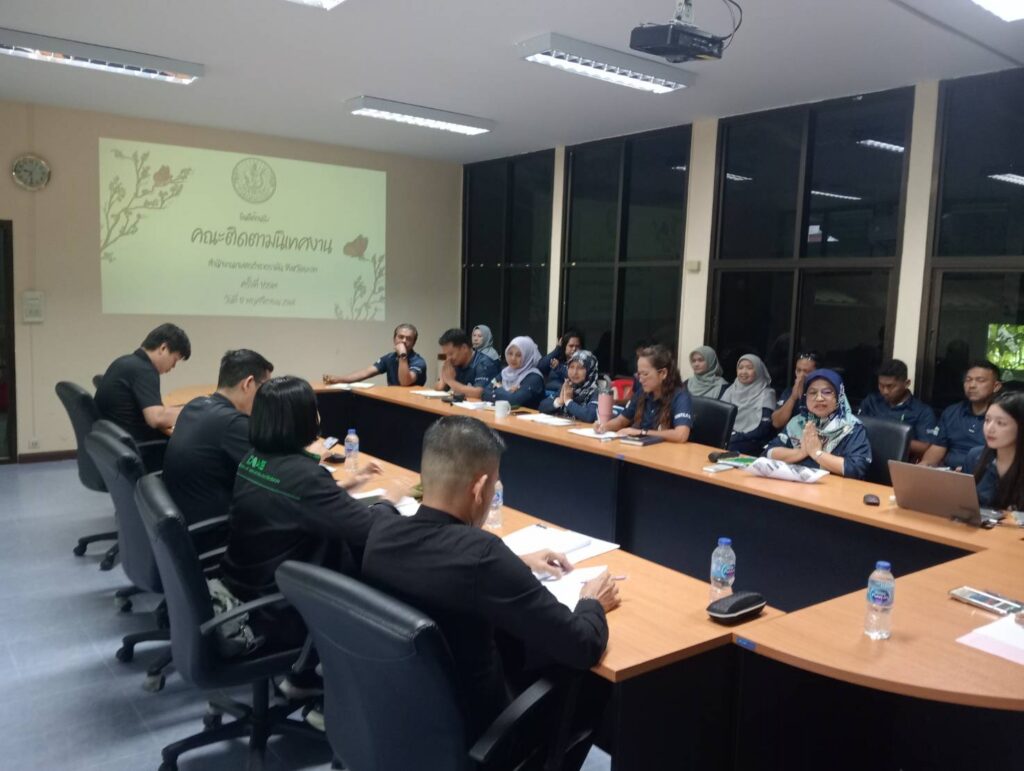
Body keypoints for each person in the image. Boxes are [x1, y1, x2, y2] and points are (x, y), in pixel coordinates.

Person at [360, 415, 618, 750]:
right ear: (480, 489)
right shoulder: (483, 557)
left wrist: (515, 561)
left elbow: (444, 558)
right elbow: (582, 644)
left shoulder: (381, 533)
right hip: (480, 735)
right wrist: (592, 601)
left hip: (397, 720)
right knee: (594, 682)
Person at [220, 376, 396, 655]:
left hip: (245, 584)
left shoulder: (253, 458)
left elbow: (293, 500)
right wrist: (389, 502)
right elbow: (367, 529)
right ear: (304, 419)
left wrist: (347, 485)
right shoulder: (305, 476)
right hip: (282, 606)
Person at [163, 349, 273, 528]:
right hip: (217, 530)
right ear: (248, 384)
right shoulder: (233, 423)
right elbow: (275, 472)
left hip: (186, 518)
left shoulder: (194, 405)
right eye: (265, 389)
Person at [764, 369, 872, 479]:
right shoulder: (798, 422)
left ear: (839, 396)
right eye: (812, 393)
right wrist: (802, 452)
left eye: (827, 392)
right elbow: (769, 453)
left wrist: (817, 453)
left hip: (833, 487)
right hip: (797, 485)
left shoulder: (852, 427)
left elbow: (856, 468)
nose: (819, 398)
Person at [95, 323, 191, 442]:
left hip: (111, 443)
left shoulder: (126, 362)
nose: (173, 366)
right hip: (133, 445)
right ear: (163, 348)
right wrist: (191, 413)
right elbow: (156, 418)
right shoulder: (145, 371)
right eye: (174, 360)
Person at [595, 344, 692, 443]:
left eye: (645, 374)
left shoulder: (680, 396)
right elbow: (621, 421)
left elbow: (681, 435)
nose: (640, 380)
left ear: (663, 373)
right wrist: (604, 426)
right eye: (639, 374)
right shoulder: (642, 392)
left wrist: (642, 432)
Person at [921, 361, 1002, 470]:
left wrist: (968, 471)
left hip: (983, 475)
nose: (972, 385)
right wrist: (923, 466)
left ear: (996, 386)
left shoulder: (1003, 418)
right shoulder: (952, 412)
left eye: (980, 380)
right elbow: (937, 448)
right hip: (948, 472)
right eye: (968, 380)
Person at [857, 359, 938, 461]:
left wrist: (889, 440)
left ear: (906, 383)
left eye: (890, 386)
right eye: (881, 385)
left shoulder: (922, 412)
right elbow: (855, 429)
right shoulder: (871, 402)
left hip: (900, 462)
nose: (885, 391)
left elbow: (925, 446)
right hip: (866, 458)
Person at [964, 391, 1024, 511]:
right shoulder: (975, 456)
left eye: (1000, 423)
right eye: (987, 420)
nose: (990, 428)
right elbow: (963, 502)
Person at [323, 323, 426, 387]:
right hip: (394, 401)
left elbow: (405, 382)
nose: (404, 341)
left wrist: (402, 355)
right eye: (401, 337)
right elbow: (365, 373)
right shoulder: (389, 358)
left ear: (414, 343)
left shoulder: (418, 361)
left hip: (412, 406)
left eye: (408, 339)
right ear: (394, 339)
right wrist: (339, 379)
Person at [721, 354, 776, 455]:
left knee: (728, 448)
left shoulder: (767, 393)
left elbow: (763, 430)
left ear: (758, 371)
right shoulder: (730, 391)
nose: (743, 372)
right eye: (740, 368)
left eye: (749, 368)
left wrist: (736, 436)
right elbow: (720, 418)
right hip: (730, 437)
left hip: (754, 441)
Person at [481, 336, 546, 409]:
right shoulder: (506, 372)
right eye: (510, 353)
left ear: (527, 356)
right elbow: (484, 393)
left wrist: (498, 390)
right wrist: (507, 394)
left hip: (527, 415)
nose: (513, 358)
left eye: (518, 355)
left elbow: (513, 401)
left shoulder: (534, 378)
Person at [435, 328, 501, 399]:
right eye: (446, 355)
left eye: (451, 354)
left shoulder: (485, 363)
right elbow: (438, 388)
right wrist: (443, 380)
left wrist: (450, 381)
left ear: (464, 348)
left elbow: (480, 392)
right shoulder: (453, 363)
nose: (448, 358)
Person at [538, 350, 601, 423]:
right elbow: (541, 407)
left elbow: (590, 416)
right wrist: (559, 401)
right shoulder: (569, 386)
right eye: (571, 367)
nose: (574, 372)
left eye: (580, 368)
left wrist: (568, 401)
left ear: (590, 370)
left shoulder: (596, 392)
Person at [771, 352, 821, 430]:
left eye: (807, 372)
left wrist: (803, 397)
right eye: (798, 370)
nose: (801, 375)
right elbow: (776, 423)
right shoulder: (789, 392)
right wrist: (793, 398)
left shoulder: (823, 394)